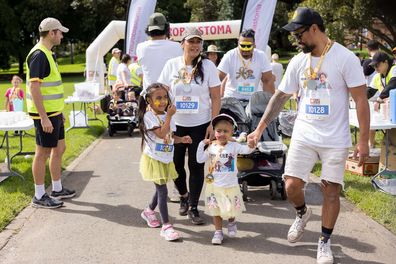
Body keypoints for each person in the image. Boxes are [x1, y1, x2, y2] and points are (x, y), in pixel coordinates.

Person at [247, 7, 369, 264]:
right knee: (291, 186)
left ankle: (324, 241)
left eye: (299, 34)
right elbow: (280, 97)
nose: (296, 40)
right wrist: (259, 128)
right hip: (304, 133)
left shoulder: (345, 58)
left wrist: (363, 141)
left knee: (331, 192)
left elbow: (361, 100)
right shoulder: (298, 61)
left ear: (314, 28)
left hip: (335, 138)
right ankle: (302, 213)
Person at [158, 27, 221, 225]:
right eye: (191, 41)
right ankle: (184, 196)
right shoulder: (171, 65)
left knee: (196, 165)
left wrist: (213, 123)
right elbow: (161, 92)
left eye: (198, 42)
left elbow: (216, 96)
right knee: (175, 165)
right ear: (182, 43)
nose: (194, 45)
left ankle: (193, 206)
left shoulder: (208, 66)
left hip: (200, 124)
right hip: (176, 125)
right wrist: (162, 119)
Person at [25, 17, 76, 208]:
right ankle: (39, 196)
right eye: (60, 32)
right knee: (43, 152)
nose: (62, 36)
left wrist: (57, 112)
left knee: (59, 148)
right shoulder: (39, 55)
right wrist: (45, 117)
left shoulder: (48, 53)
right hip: (43, 115)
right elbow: (34, 88)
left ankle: (56, 188)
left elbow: (49, 87)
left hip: (53, 113)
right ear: (51, 33)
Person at [137, 83, 192, 241]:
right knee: (162, 190)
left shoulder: (168, 116)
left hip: (166, 157)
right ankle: (166, 226)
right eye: (158, 98)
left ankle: (148, 211)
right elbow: (161, 134)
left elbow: (169, 136)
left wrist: (181, 139)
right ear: (149, 100)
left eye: (165, 97)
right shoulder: (149, 116)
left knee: (160, 187)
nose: (162, 101)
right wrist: (168, 116)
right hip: (154, 159)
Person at [196, 114, 254, 245]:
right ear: (214, 131)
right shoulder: (211, 147)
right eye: (218, 131)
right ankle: (218, 232)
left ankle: (232, 222)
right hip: (214, 185)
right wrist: (201, 145)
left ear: (232, 132)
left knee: (231, 208)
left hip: (230, 185)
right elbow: (199, 159)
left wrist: (251, 145)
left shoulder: (234, 146)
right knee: (216, 210)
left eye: (226, 131)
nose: (222, 134)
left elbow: (247, 150)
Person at [218, 29, 275, 102]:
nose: (245, 49)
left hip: (253, 100)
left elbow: (268, 81)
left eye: (248, 46)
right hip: (232, 99)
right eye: (242, 46)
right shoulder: (230, 55)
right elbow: (218, 79)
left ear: (254, 45)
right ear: (238, 44)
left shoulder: (261, 56)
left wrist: (271, 104)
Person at [136, 12, 183, 91]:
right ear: (166, 29)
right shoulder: (177, 46)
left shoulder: (140, 47)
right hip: (170, 95)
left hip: (150, 96)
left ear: (149, 29)